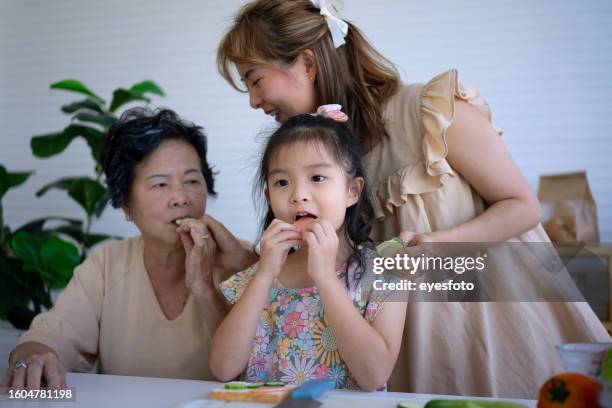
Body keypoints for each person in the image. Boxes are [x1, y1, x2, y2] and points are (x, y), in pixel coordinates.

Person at [215, 0, 610, 398]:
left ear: (306, 64)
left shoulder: (429, 112)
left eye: (253, 79)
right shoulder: (331, 158)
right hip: (395, 340)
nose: (253, 101)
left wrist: (440, 244)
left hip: (488, 318)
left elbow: (522, 205)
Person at [1, 108, 255, 390]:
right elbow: (52, 336)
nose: (180, 198)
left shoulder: (244, 261)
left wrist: (206, 289)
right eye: (160, 184)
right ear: (125, 204)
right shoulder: (107, 265)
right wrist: (33, 357)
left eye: (192, 181)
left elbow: (263, 373)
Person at [210, 113, 407, 391]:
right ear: (269, 197)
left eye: (317, 177)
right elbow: (223, 368)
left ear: (352, 191)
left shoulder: (384, 276)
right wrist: (265, 273)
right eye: (281, 182)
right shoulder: (257, 276)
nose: (298, 194)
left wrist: (325, 278)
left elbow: (373, 376)